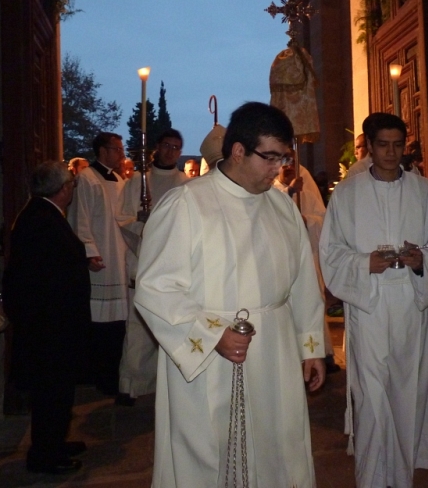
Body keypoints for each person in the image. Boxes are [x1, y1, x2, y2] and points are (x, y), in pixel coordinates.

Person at [135, 102, 326, 488]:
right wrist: (212, 335)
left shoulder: (282, 206)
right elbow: (156, 289)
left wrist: (311, 347)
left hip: (275, 352)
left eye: (283, 158)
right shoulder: (185, 204)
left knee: (278, 447)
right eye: (270, 158)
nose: (279, 169)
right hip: (211, 359)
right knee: (211, 455)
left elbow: (304, 282)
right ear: (238, 150)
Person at [320, 112, 428, 488]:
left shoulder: (427, 193)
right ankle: (370, 478)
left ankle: (401, 477)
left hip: (412, 308)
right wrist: (365, 263)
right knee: (371, 396)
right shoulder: (348, 195)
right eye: (383, 145)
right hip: (370, 307)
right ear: (369, 145)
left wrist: (422, 261)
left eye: (398, 145)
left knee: (406, 392)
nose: (391, 152)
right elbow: (331, 252)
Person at [2, 161, 91, 474]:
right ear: (63, 189)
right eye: (71, 185)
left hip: (52, 325)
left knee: (57, 392)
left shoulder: (42, 214)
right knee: (51, 393)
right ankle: (45, 456)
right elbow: (42, 278)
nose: (71, 189)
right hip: (50, 328)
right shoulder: (41, 219)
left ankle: (54, 443)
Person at [116, 129, 189, 405]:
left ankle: (169, 387)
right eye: (168, 145)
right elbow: (123, 218)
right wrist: (144, 226)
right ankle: (131, 385)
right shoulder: (137, 181)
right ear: (157, 147)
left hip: (172, 265)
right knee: (138, 328)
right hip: (143, 262)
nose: (171, 151)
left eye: (177, 147)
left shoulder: (183, 183)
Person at [68, 132, 128, 396]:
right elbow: (79, 218)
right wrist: (89, 252)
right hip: (100, 261)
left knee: (118, 324)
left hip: (120, 257)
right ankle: (98, 375)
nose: (122, 155)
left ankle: (114, 374)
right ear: (103, 151)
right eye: (117, 149)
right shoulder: (86, 179)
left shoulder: (119, 179)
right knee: (99, 323)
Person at [274, 152, 340, 373]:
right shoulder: (270, 189)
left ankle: (319, 352)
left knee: (312, 299)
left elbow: (323, 222)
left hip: (307, 255)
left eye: (292, 161)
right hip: (281, 260)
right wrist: (289, 191)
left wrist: (308, 222)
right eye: (284, 162)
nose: (288, 166)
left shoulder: (307, 192)